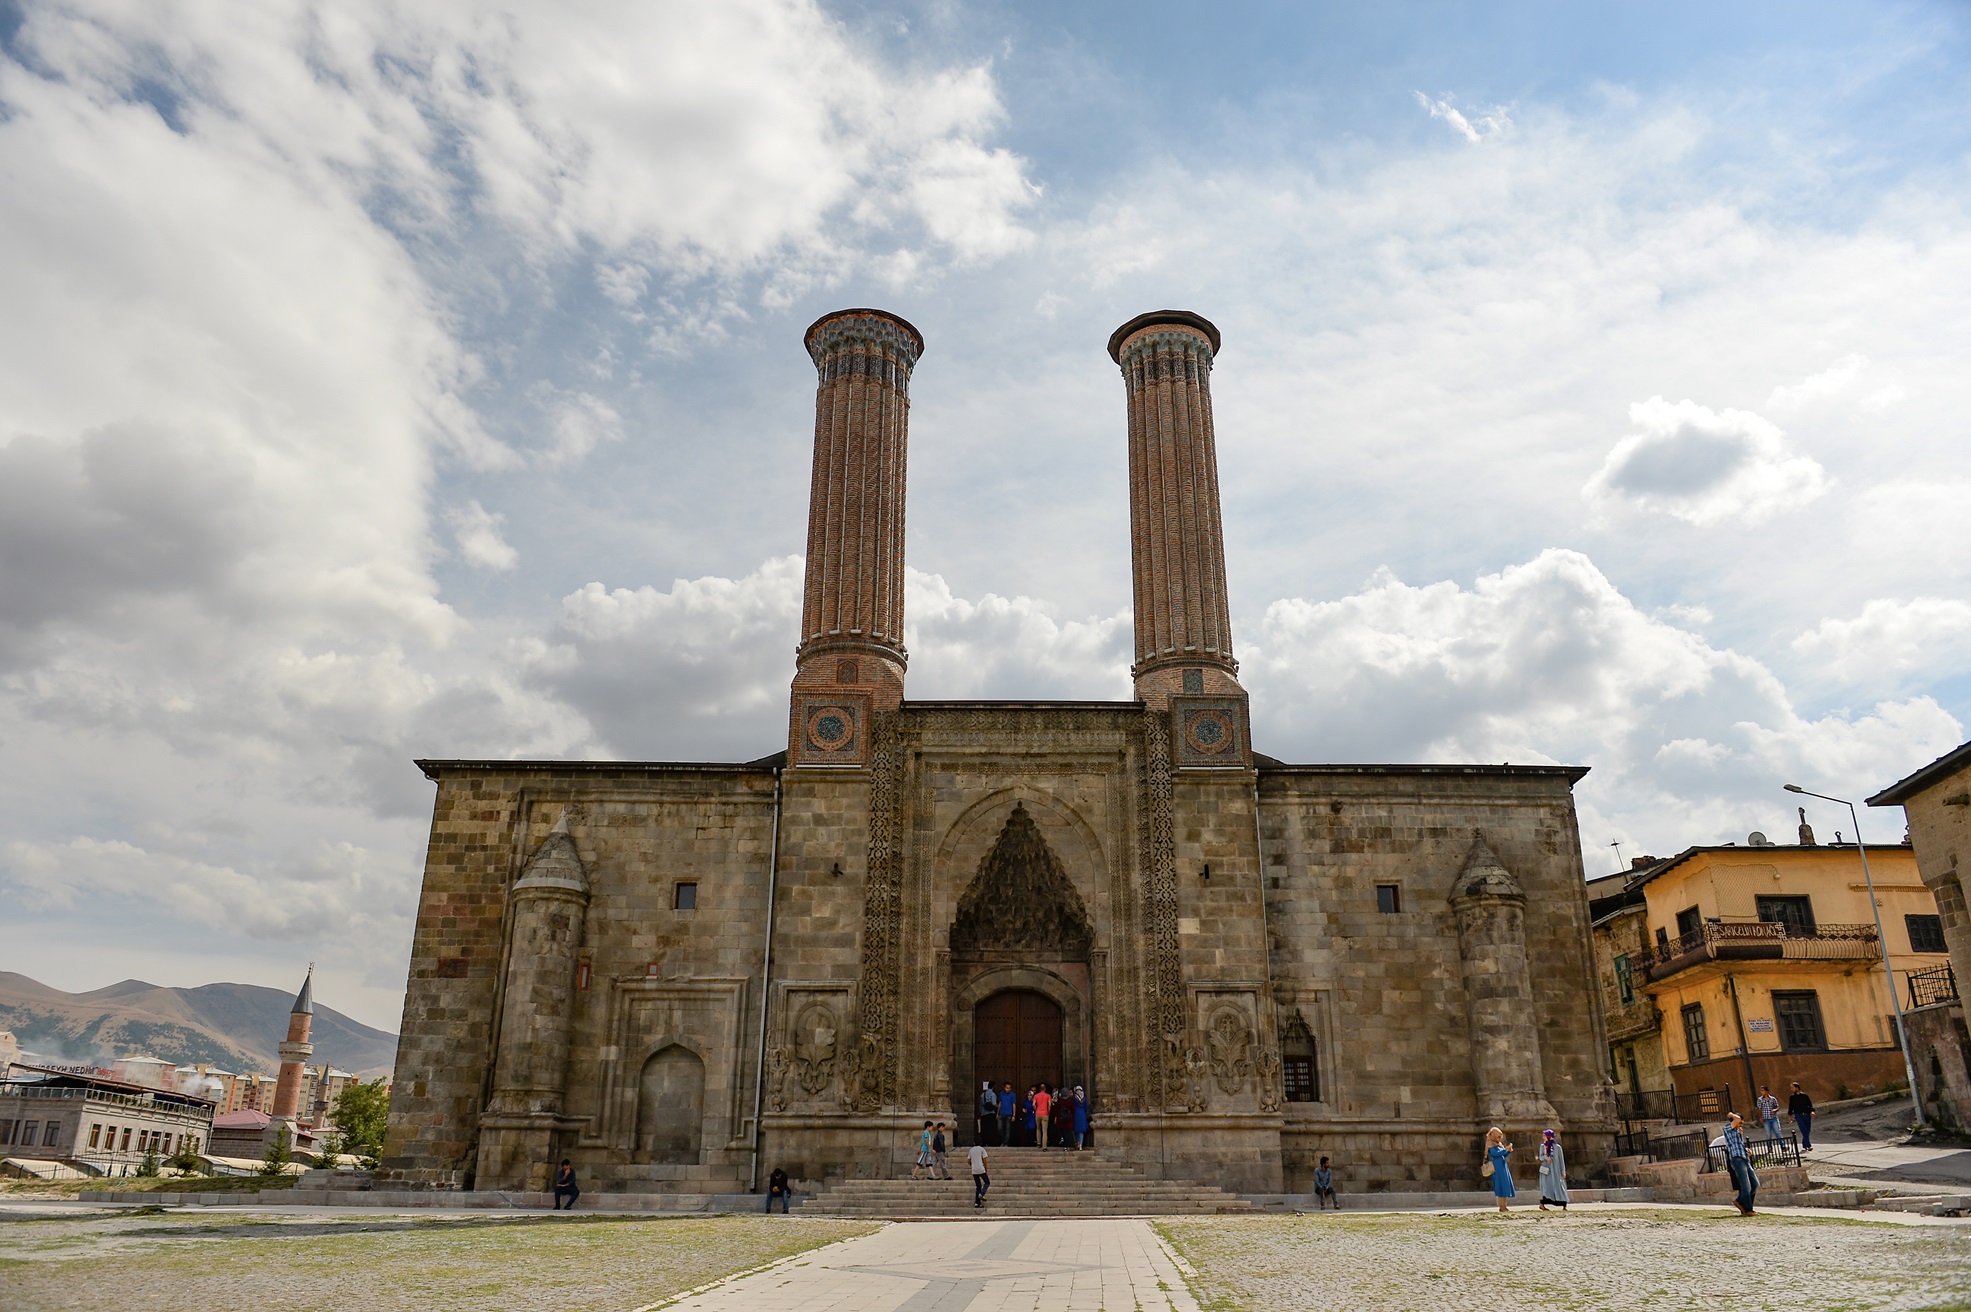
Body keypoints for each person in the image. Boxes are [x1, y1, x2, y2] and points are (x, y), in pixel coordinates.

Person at [1723, 1112, 1758, 1215]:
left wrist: (1746, 1150)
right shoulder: (1728, 1128)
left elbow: (1738, 1145)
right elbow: (1737, 1119)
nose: (1741, 1125)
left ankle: (1740, 1202)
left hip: (1744, 1159)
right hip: (1737, 1159)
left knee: (1755, 1184)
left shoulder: (1738, 1132)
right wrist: (1731, 1114)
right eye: (1740, 1123)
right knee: (1746, 1186)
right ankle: (1748, 1209)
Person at [1483, 1127, 1515, 1213]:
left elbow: (1503, 1154)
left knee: (1504, 1186)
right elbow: (1495, 1153)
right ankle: (1501, 1206)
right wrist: (1505, 1149)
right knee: (1500, 1186)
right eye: (1498, 1137)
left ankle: (1505, 1206)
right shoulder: (1490, 1144)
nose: (1500, 1139)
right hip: (1497, 1168)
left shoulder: (1498, 1144)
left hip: (1502, 1167)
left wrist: (1508, 1151)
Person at [1536, 1129, 1568, 1211]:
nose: (1543, 1137)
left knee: (1559, 1186)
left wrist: (1563, 1171)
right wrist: (1546, 1158)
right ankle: (1542, 1204)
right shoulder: (1543, 1146)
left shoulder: (1557, 1147)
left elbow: (1561, 1160)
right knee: (1546, 1187)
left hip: (1556, 1170)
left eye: (1544, 1136)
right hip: (1546, 1171)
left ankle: (1563, 1204)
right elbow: (1540, 1157)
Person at [1788, 1082, 1815, 1151]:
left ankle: (1804, 1144)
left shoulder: (1805, 1096)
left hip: (1806, 1114)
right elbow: (1790, 1107)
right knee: (1804, 1130)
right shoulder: (1792, 1097)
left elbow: (1809, 1104)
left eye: (1792, 1087)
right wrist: (1790, 1115)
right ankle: (1808, 1145)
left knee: (1807, 1130)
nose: (1791, 1089)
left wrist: (1812, 1111)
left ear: (1797, 1088)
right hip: (1798, 1115)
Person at [969, 1139, 990, 1209]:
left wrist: (972, 1165)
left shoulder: (971, 1150)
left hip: (974, 1170)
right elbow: (984, 1160)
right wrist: (986, 1169)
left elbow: (968, 1160)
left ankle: (977, 1203)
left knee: (978, 1186)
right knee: (987, 1182)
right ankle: (982, 1193)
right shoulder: (982, 1149)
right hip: (981, 1169)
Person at [1033, 1084, 1053, 1150]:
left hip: (1038, 1113)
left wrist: (1036, 1109)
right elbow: (1049, 1105)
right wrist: (1048, 1112)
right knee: (1044, 1131)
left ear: (1039, 1089)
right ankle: (1044, 1146)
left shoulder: (1036, 1096)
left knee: (1038, 1128)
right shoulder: (1048, 1096)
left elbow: (1033, 1104)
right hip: (1045, 1113)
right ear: (1045, 1089)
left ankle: (1038, 1143)